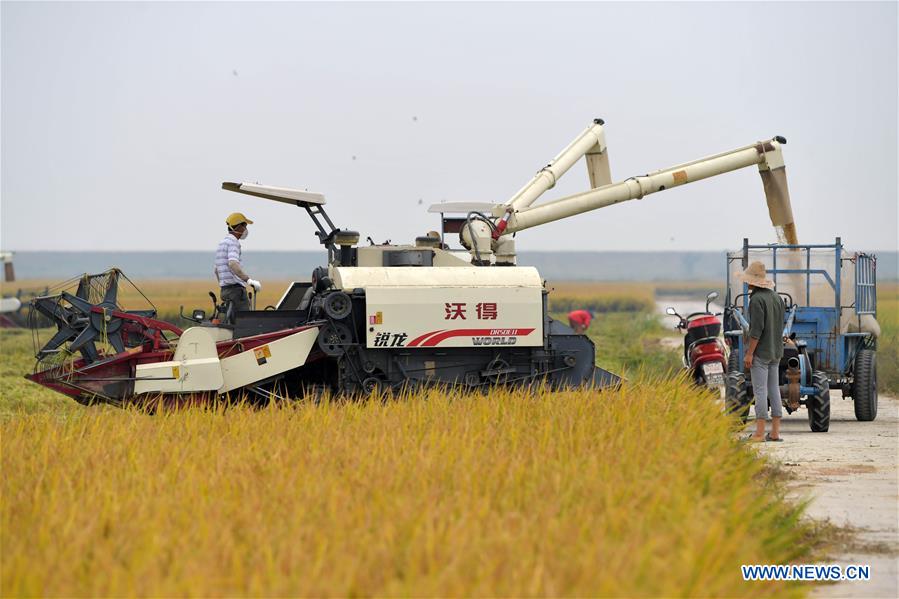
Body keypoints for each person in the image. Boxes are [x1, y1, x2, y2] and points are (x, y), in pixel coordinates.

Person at [739, 261, 785, 442]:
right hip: (776, 352)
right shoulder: (776, 297)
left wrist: (750, 353)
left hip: (761, 353)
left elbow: (756, 330)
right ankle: (774, 432)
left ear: (752, 282)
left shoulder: (756, 300)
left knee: (759, 391)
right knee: (774, 390)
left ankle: (759, 433)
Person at [215, 212, 262, 318]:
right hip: (236, 291)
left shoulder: (222, 243)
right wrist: (249, 280)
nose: (246, 230)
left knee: (231, 321)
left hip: (224, 291)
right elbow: (232, 263)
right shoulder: (233, 242)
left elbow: (216, 270)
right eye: (245, 226)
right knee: (245, 322)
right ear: (239, 227)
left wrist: (223, 285)